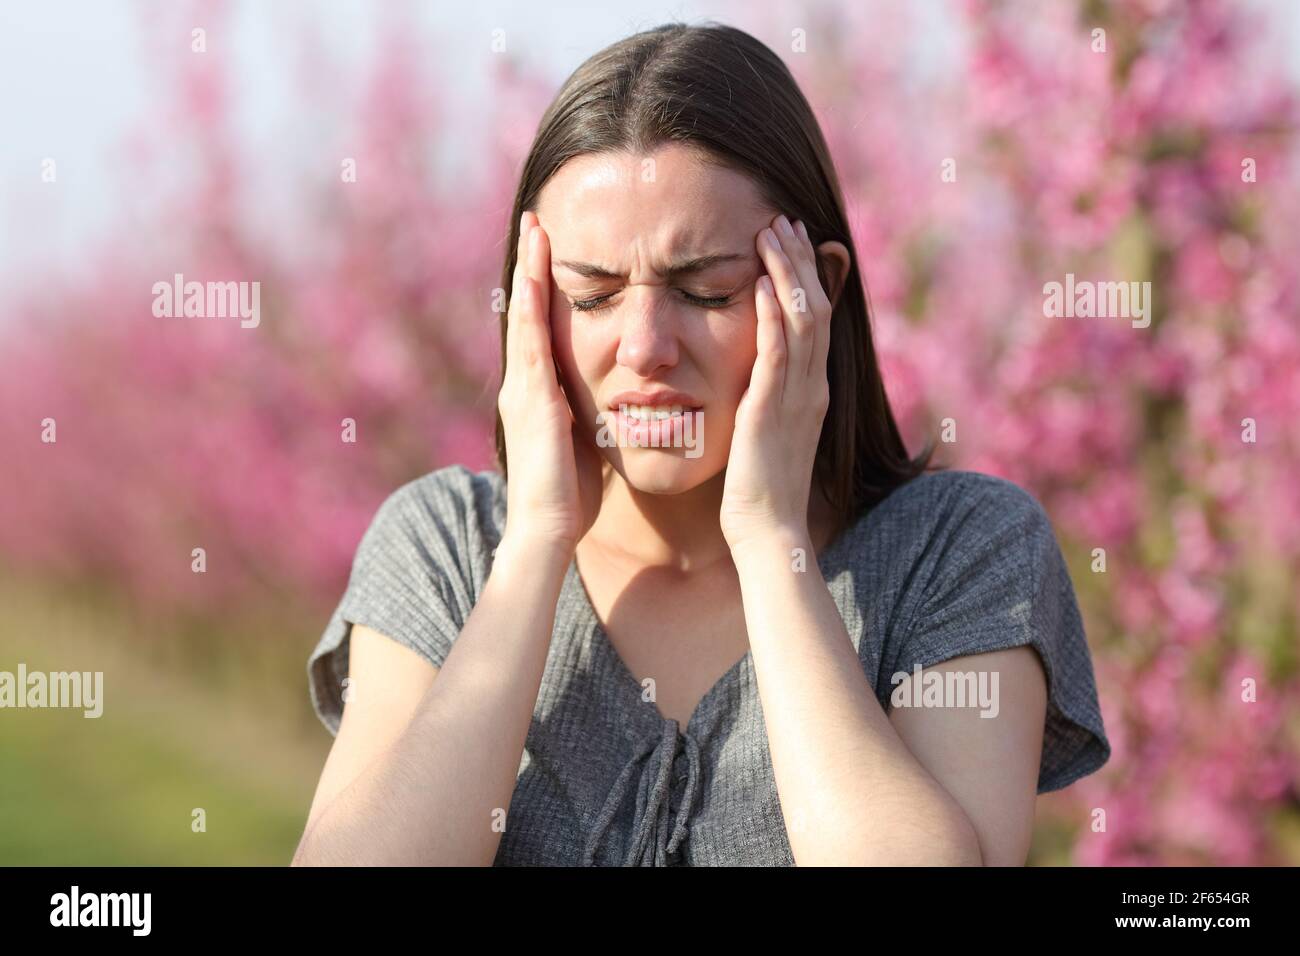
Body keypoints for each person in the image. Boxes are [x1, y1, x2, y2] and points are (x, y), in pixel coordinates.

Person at [293, 21, 1109, 867]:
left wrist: (770, 539)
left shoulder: (961, 550)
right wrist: (535, 542)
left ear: (814, 293)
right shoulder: (444, 549)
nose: (645, 347)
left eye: (706, 291)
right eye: (594, 294)